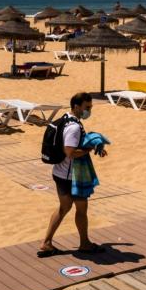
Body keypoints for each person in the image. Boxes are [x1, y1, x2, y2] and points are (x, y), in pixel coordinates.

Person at [38, 92, 108, 257]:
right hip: (70, 177)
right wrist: (89, 149)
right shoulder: (74, 127)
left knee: (64, 208)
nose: (89, 111)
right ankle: (85, 244)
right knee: (81, 209)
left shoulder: (67, 117)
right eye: (87, 108)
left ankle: (47, 243)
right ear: (77, 106)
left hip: (60, 173)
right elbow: (70, 152)